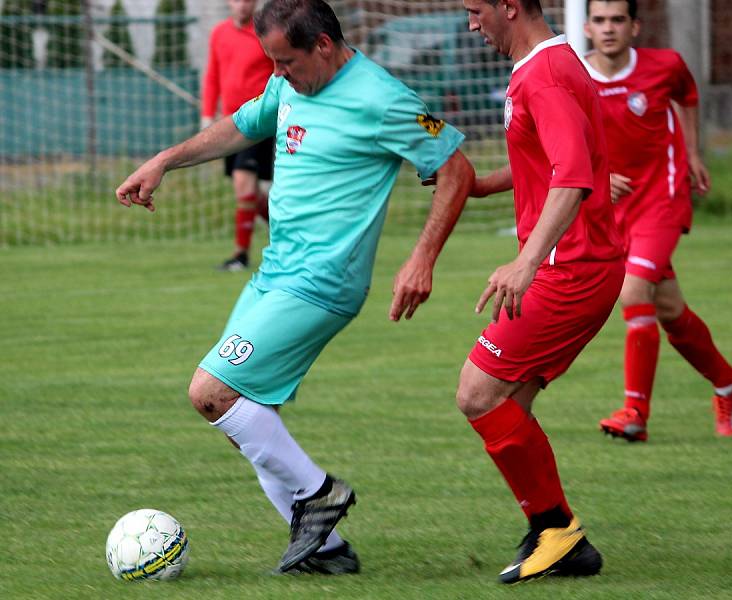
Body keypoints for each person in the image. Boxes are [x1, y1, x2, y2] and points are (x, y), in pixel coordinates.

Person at [117, 0, 474, 575]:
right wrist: (165, 159)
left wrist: (421, 258)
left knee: (211, 392)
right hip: (275, 273)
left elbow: (455, 167)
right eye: (272, 62)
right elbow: (240, 124)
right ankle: (325, 552)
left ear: (324, 46)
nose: (278, 73)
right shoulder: (289, 87)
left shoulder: (382, 98)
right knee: (246, 416)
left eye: (287, 61)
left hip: (323, 281)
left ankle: (321, 494)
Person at [457, 0, 624, 585]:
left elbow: (573, 174)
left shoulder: (546, 73)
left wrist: (526, 261)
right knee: (508, 409)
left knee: (478, 392)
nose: (471, 23)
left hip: (569, 268)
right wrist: (481, 186)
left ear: (510, 6)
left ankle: (557, 529)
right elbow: (548, 160)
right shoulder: (542, 65)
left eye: (476, 10)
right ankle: (556, 534)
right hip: (580, 263)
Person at [582, 0, 732, 442]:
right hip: (615, 210)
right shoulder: (576, 77)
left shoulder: (665, 66)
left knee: (632, 292)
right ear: (587, 27)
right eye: (600, 20)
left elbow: (688, 95)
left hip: (662, 197)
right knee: (669, 310)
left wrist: (693, 152)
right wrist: (597, 182)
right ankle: (729, 383)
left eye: (618, 19)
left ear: (634, 27)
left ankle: (635, 413)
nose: (609, 28)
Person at [202, 0, 275, 271]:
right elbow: (212, 76)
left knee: (244, 184)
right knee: (250, 192)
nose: (241, 5)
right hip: (228, 124)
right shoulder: (219, 33)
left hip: (259, 120)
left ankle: (240, 256)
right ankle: (289, 228)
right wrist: (207, 115)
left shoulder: (267, 32)